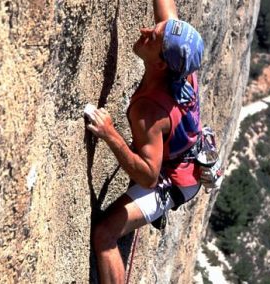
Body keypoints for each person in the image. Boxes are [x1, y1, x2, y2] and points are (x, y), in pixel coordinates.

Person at [86, 0, 204, 282]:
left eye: (153, 36)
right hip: (184, 155)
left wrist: (110, 134)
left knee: (104, 234)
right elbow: (167, 10)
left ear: (161, 63)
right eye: (156, 27)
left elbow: (149, 176)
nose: (145, 30)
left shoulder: (150, 111)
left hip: (175, 180)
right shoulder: (179, 57)